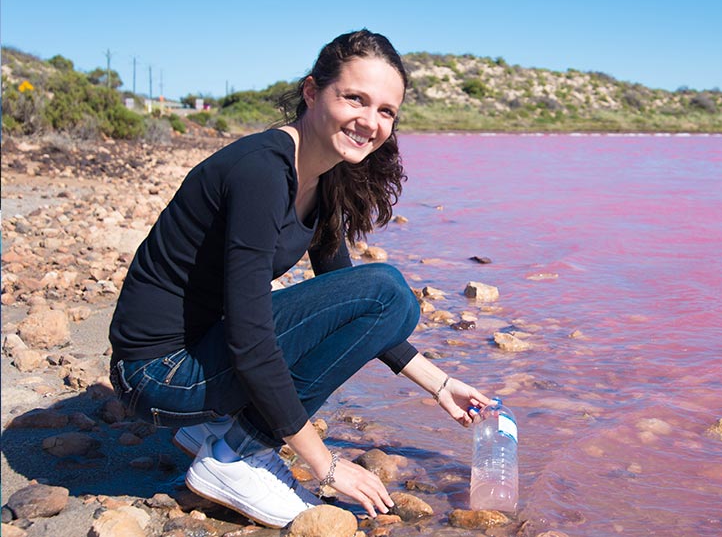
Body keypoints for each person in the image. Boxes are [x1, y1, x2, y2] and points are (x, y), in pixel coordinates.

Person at [108, 29, 490, 528]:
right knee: (390, 291)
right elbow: (251, 339)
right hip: (157, 375)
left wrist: (439, 385)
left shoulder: (325, 174)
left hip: (192, 356)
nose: (370, 122)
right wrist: (326, 465)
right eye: (354, 99)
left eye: (386, 111)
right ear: (312, 92)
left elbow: (345, 294)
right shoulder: (263, 172)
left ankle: (215, 428)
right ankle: (235, 457)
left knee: (388, 296)